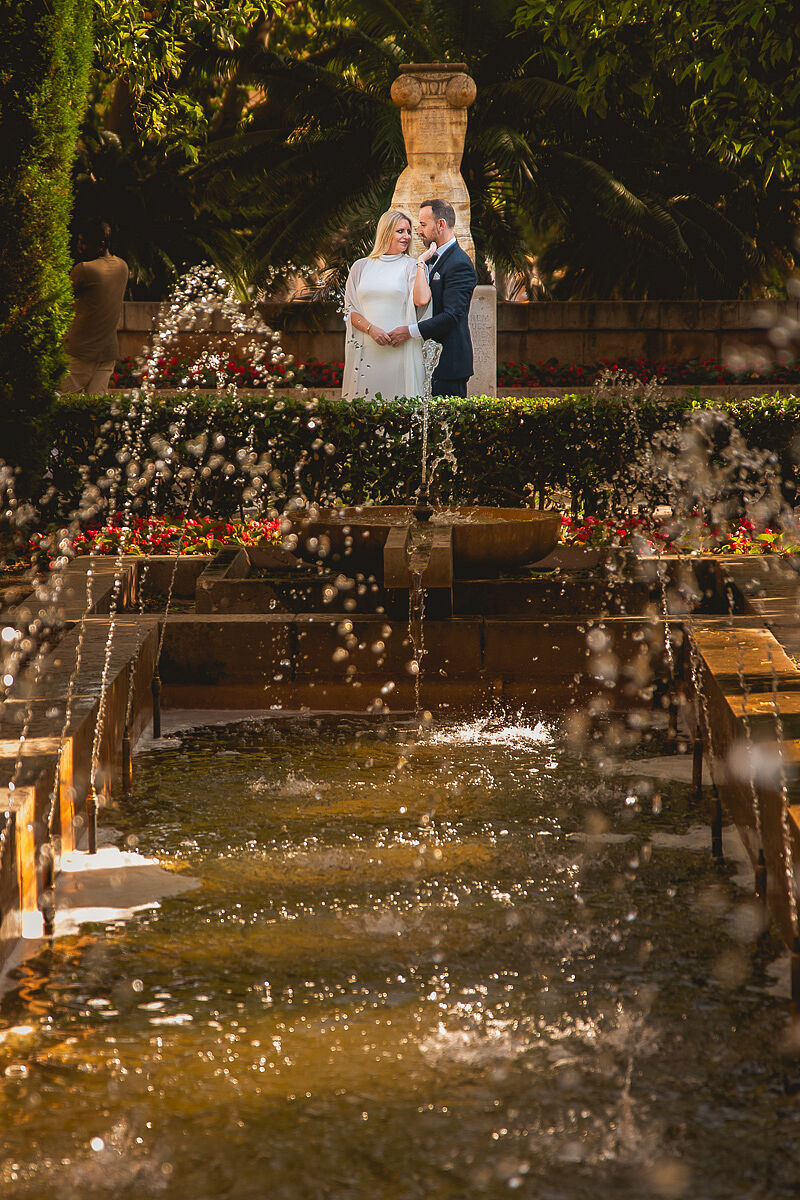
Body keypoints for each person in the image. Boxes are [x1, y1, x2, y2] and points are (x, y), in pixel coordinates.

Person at [388, 198, 477, 398]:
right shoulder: (432, 257)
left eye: (423, 224)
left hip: (448, 365)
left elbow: (452, 316)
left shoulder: (459, 263)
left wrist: (409, 332)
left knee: (446, 428)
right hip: (427, 361)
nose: (418, 231)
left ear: (441, 224)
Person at [341, 210, 431, 401]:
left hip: (400, 350)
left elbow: (422, 300)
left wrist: (421, 262)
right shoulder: (360, 266)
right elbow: (350, 310)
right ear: (386, 232)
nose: (406, 237)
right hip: (367, 351)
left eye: (408, 232)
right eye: (400, 231)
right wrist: (371, 329)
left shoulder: (412, 266)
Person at [62, 218, 128, 395]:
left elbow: (60, 299)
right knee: (94, 410)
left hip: (80, 351)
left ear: (100, 244)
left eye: (83, 242)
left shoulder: (85, 269)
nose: (79, 246)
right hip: (107, 353)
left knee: (58, 401)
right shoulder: (123, 266)